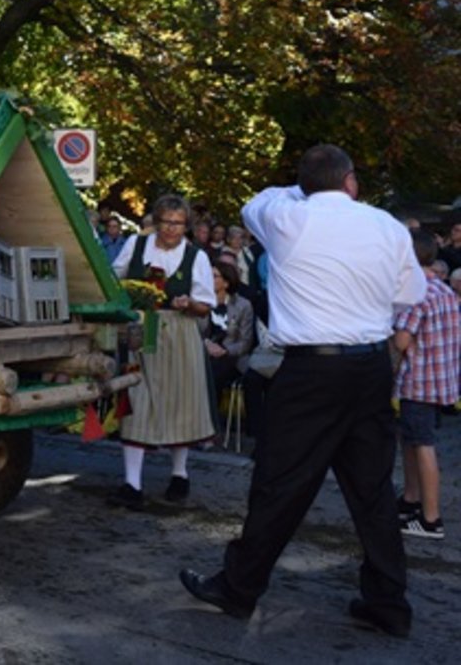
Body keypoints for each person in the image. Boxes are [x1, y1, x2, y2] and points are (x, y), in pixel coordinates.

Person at [180, 144, 426, 639]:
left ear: (305, 185)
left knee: (280, 480)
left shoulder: (287, 216)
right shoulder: (385, 225)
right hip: (369, 365)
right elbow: (410, 294)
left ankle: (239, 587)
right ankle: (388, 602)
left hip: (312, 370)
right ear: (351, 180)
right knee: (373, 488)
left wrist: (308, 188)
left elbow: (254, 204)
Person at [108, 194, 216, 509]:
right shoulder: (135, 245)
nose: (171, 229)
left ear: (186, 226)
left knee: (180, 400)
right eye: (166, 222)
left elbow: (206, 305)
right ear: (156, 222)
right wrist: (128, 298)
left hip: (180, 331)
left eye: (178, 223)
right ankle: (132, 484)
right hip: (141, 330)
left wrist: (189, 303)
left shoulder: (196, 257)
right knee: (136, 398)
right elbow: (113, 280)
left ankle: (179, 474)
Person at [392, 228, 460, 540]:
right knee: (412, 440)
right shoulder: (444, 290)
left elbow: (402, 341)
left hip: (418, 381)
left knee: (422, 445)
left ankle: (431, 517)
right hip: (441, 381)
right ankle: (411, 499)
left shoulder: (415, 293)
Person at [201, 259, 256, 433]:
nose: (208, 279)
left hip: (232, 357)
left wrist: (224, 351)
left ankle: (210, 425)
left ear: (226, 282)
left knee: (214, 372)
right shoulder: (201, 303)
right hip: (204, 352)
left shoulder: (243, 305)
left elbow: (245, 342)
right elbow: (196, 331)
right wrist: (206, 344)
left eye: (214, 276)